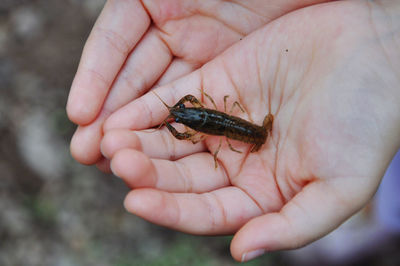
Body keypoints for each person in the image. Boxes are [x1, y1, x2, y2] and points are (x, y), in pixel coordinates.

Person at [66, 0, 400, 262]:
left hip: (247, 130)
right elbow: (194, 109)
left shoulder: (203, 122)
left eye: (183, 113)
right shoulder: (201, 112)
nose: (181, 115)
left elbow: (191, 119)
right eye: (183, 116)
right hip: (231, 124)